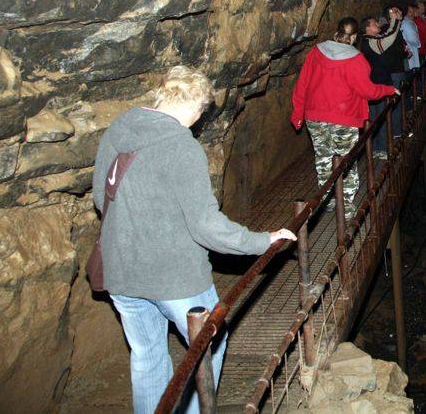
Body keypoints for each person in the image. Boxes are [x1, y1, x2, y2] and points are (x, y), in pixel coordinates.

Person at [93, 66, 297, 414]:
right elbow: (206, 225)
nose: (200, 120)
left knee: (146, 355)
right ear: (195, 105)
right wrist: (263, 240)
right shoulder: (181, 145)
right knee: (208, 346)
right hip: (175, 276)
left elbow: (102, 197)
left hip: (121, 267)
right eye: (202, 112)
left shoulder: (120, 127)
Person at [291, 17, 398, 215]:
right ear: (355, 36)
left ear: (337, 31)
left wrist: (298, 114)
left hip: (315, 116)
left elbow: (302, 85)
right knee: (345, 160)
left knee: (323, 159)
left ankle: (327, 200)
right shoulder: (356, 60)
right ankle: (345, 205)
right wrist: (389, 90)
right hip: (343, 117)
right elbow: (368, 91)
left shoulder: (316, 52)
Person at [359, 8, 406, 156]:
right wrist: (394, 19)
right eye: (374, 24)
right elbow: (389, 38)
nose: (378, 25)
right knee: (382, 117)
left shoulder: (370, 40)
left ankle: (376, 148)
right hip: (378, 84)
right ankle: (383, 149)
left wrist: (397, 20)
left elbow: (387, 35)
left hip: (373, 83)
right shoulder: (370, 41)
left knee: (375, 118)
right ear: (367, 27)